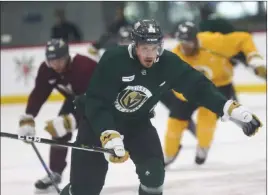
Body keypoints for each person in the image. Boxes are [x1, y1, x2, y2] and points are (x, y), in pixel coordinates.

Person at [59, 19, 262, 195]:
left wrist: (227, 107)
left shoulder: (167, 63)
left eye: (154, 47)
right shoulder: (113, 60)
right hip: (97, 126)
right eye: (144, 48)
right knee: (86, 189)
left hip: (137, 125)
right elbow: (96, 101)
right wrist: (108, 133)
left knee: (154, 175)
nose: (150, 54)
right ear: (135, 45)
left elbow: (196, 86)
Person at [164, 21, 266, 166]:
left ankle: (203, 147)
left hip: (218, 85)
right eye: (182, 43)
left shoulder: (213, 42)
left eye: (188, 42)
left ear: (195, 39)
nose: (185, 47)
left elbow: (244, 38)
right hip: (186, 92)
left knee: (207, 117)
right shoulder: (175, 57)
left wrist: (253, 57)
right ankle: (168, 154)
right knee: (175, 122)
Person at [17, 39, 97, 192]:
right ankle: (55, 172)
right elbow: (39, 93)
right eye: (52, 61)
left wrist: (72, 120)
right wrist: (28, 117)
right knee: (58, 130)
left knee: (90, 134)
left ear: (67, 56)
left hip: (100, 101)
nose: (56, 65)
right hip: (75, 100)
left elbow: (94, 99)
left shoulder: (83, 67)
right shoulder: (47, 69)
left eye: (60, 60)